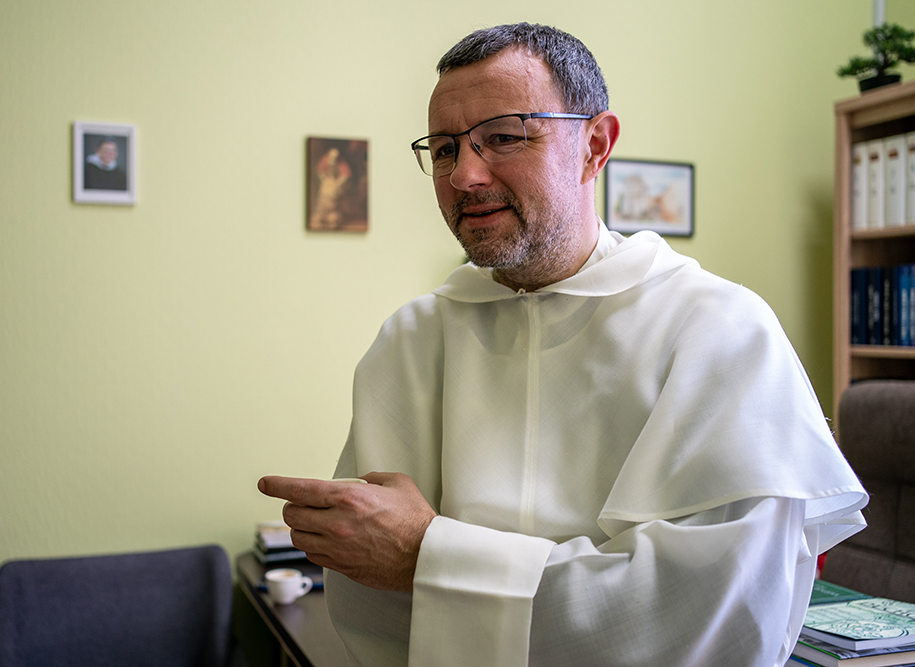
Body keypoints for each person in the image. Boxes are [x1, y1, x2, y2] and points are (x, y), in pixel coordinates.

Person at [258, 23, 868, 667]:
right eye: (443, 149)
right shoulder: (411, 341)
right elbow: (373, 606)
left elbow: (711, 610)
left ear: (595, 145)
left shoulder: (720, 332)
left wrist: (430, 557)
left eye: (503, 136)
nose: (464, 174)